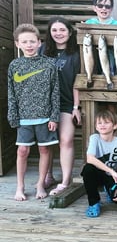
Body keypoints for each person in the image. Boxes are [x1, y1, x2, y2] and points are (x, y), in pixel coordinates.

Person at [7, 23, 60, 201]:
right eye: (24, 42)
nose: (28, 45)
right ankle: (20, 187)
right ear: (17, 44)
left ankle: (40, 184)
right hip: (24, 117)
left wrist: (54, 116)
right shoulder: (15, 65)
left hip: (45, 116)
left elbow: (55, 92)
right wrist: (13, 116)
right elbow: (11, 94)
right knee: (22, 151)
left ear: (39, 43)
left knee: (44, 149)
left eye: (32, 41)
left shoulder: (49, 64)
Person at [41, 17, 81, 196]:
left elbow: (77, 82)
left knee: (66, 140)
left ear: (70, 32)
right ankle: (47, 176)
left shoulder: (76, 52)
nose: (58, 33)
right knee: (47, 143)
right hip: (45, 105)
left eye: (62, 30)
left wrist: (76, 107)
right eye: (54, 30)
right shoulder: (43, 50)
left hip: (66, 103)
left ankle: (65, 181)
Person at [81, 109, 117, 218]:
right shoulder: (94, 138)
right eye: (99, 123)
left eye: (106, 122)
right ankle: (94, 203)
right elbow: (90, 159)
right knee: (88, 169)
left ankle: (109, 189)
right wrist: (111, 171)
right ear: (96, 127)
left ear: (115, 125)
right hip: (97, 174)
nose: (102, 125)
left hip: (111, 178)